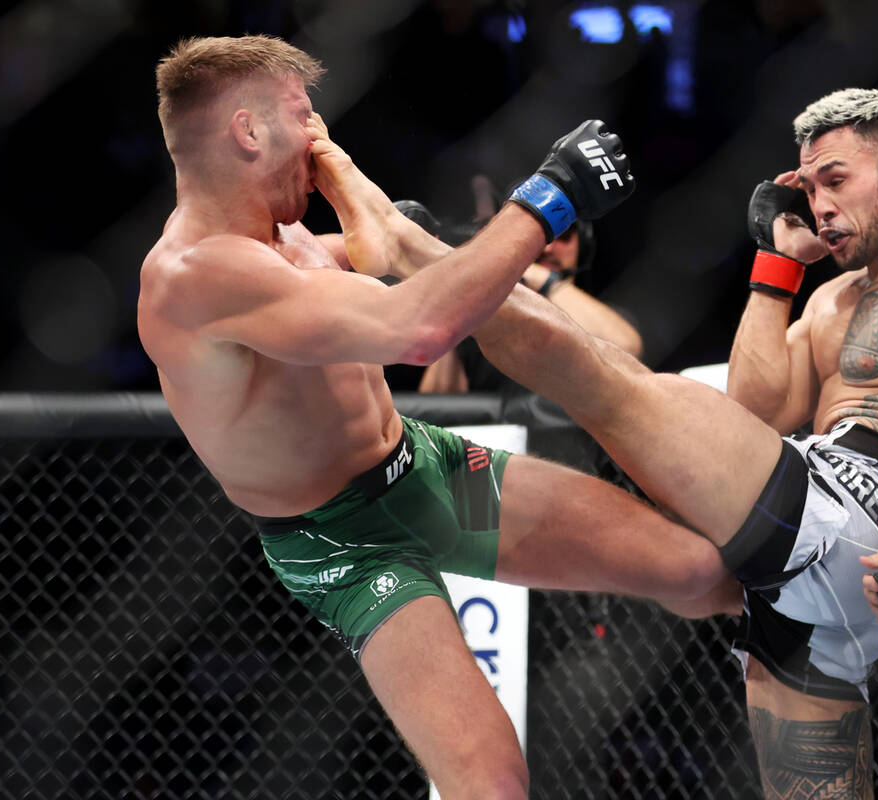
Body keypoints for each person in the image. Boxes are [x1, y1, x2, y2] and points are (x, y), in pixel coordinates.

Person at [372, 87, 878, 797]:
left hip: (852, 515)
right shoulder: (834, 298)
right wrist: (779, 266)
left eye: (837, 180)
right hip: (803, 583)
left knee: (609, 381)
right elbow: (756, 411)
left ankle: (427, 256)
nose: (823, 205)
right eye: (811, 187)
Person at [137, 34, 733, 800]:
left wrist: (346, 179)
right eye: (303, 116)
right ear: (249, 131)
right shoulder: (194, 275)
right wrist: (548, 198)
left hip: (431, 471)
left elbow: (379, 248)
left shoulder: (286, 238)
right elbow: (419, 328)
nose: (318, 134)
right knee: (489, 782)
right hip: (346, 543)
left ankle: (808, 643)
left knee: (694, 568)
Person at [419, 212, 643, 394]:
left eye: (563, 235)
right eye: (539, 235)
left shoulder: (608, 317)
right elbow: (436, 406)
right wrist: (458, 306)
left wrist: (539, 277)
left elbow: (627, 347)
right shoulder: (479, 329)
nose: (547, 248)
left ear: (582, 246)